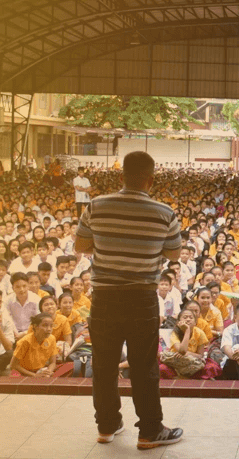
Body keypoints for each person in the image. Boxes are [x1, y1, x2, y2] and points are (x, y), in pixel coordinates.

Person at [75, 151, 183, 450]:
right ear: (150, 179)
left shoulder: (96, 206)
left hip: (105, 297)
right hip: (141, 298)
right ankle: (150, 431)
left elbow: (81, 245)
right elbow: (173, 254)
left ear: (121, 175)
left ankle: (107, 426)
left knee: (105, 363)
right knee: (144, 365)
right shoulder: (164, 213)